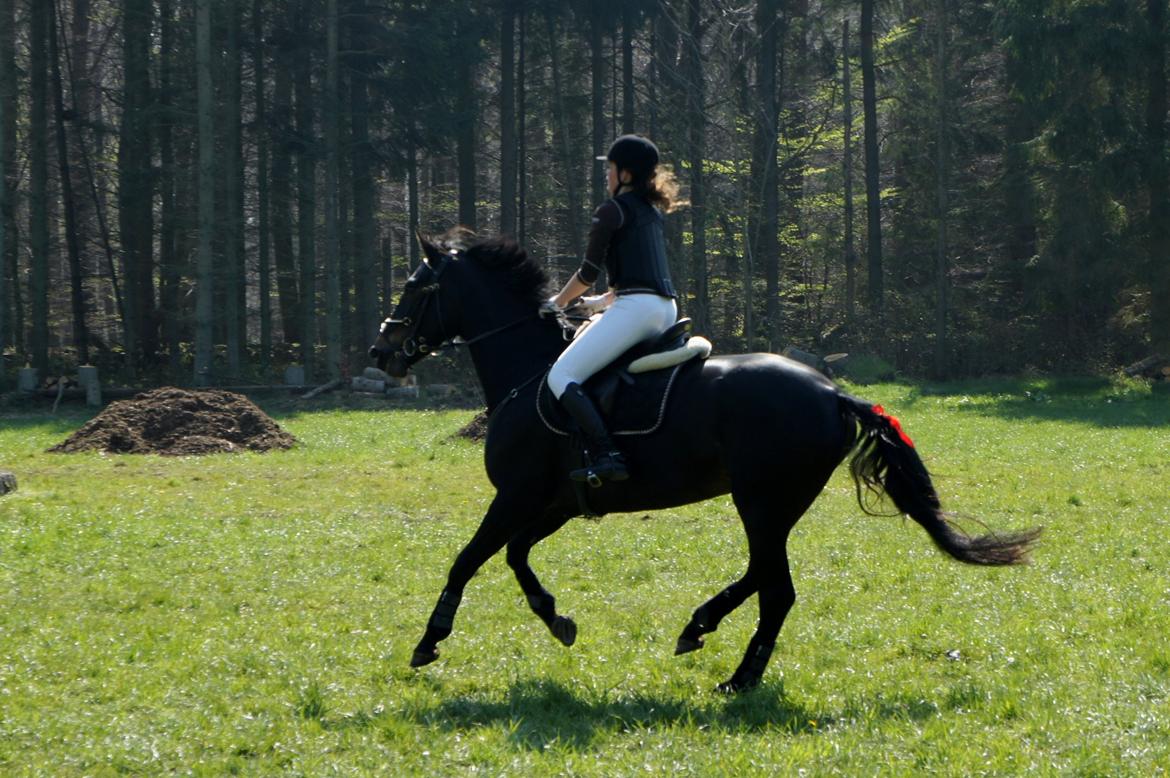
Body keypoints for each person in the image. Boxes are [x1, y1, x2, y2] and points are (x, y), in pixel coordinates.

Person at [543, 134, 683, 484]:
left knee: (561, 376)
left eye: (610, 169)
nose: (606, 175)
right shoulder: (651, 211)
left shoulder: (611, 211)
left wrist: (556, 303)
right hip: (664, 310)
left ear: (625, 174)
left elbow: (587, 273)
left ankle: (608, 454)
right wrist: (602, 302)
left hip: (637, 310)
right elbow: (639, 277)